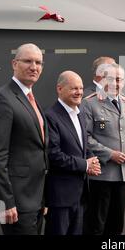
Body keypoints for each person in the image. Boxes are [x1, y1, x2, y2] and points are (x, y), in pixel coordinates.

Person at [0, 43, 48, 235]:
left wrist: (44, 199)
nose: (34, 67)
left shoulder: (30, 98)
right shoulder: (1, 99)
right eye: (27, 61)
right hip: (15, 202)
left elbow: (38, 151)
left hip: (34, 199)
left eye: (38, 62)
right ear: (14, 64)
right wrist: (5, 202)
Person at [82, 63, 125, 235]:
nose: (116, 83)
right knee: (96, 224)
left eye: (120, 79)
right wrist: (110, 154)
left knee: (116, 224)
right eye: (112, 78)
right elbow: (85, 137)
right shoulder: (90, 103)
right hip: (102, 174)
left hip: (124, 173)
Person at [44, 71, 101, 235]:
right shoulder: (51, 116)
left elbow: (82, 146)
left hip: (80, 194)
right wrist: (85, 165)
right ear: (59, 89)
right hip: (61, 197)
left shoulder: (80, 113)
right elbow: (53, 155)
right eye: (74, 88)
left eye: (81, 88)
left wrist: (91, 159)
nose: (79, 92)